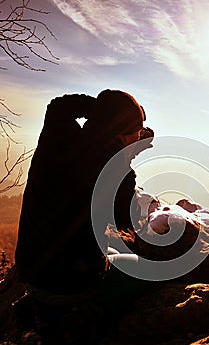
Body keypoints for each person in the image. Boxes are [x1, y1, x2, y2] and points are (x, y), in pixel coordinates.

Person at [15, 89, 153, 301]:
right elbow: (127, 221)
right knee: (148, 273)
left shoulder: (57, 134)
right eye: (137, 133)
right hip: (71, 283)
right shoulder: (119, 174)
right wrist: (126, 157)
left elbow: (59, 105)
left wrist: (107, 112)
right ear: (124, 134)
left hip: (30, 268)